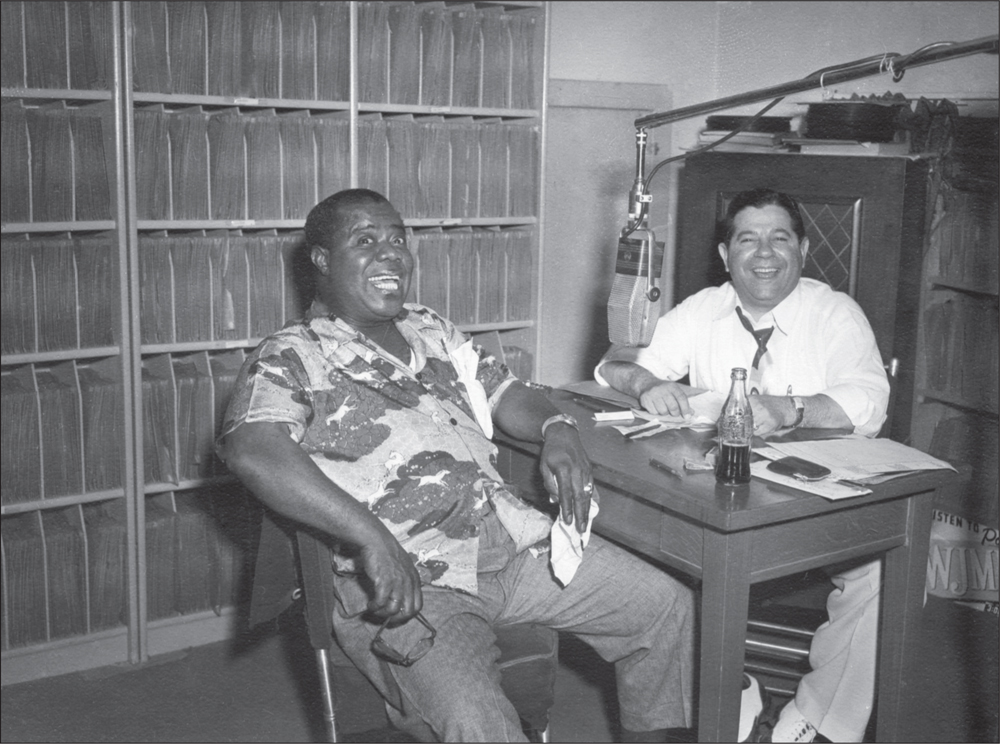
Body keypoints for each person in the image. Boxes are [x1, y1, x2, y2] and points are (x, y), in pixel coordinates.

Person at [218, 189, 694, 742]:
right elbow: (253, 447)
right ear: (322, 260)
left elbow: (507, 392)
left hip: (512, 546)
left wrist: (556, 427)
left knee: (665, 607)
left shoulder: (430, 329)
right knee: (481, 725)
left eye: (398, 239)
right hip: (415, 579)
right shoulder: (293, 354)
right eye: (366, 241)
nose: (391, 253)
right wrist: (370, 538)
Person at [596, 188, 890, 743]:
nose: (764, 254)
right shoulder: (702, 309)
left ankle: (821, 720)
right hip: (722, 503)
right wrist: (651, 383)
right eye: (747, 239)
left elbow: (870, 397)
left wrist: (791, 407)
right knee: (651, 556)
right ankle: (731, 691)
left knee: (878, 570)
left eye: (780, 238)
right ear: (725, 252)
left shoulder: (834, 312)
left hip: (810, 504)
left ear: (802, 248)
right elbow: (616, 366)